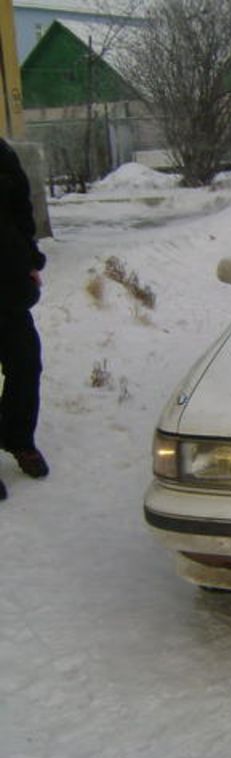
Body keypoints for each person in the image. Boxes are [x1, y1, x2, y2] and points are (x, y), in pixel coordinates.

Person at [0, 138, 49, 501]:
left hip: (5, 278)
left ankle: (18, 438)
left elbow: (20, 212)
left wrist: (30, 259)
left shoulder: (1, 153)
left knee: (26, 361)